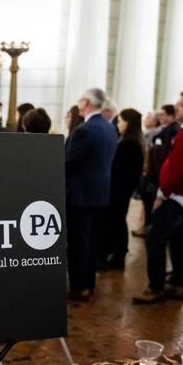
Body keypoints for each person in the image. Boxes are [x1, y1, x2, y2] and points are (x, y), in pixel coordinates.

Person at [133, 91, 183, 304]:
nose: (177, 107)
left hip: (176, 197)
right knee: (180, 241)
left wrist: (162, 194)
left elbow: (175, 168)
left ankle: (155, 287)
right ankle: (178, 282)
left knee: (155, 238)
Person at [65, 88, 117, 301]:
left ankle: (79, 287)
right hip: (100, 193)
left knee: (79, 243)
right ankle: (89, 285)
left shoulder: (84, 129)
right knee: (93, 242)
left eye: (79, 99)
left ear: (85, 102)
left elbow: (68, 162)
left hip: (80, 195)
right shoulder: (109, 127)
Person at [102, 109, 144, 269]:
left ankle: (118, 256)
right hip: (122, 188)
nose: (117, 124)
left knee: (116, 222)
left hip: (119, 189)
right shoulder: (131, 141)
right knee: (118, 222)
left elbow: (120, 168)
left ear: (128, 122)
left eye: (120, 121)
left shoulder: (129, 143)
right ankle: (118, 254)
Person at [134, 105, 179, 237]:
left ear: (171, 116)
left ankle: (152, 227)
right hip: (153, 172)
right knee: (148, 200)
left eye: (163, 115)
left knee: (152, 202)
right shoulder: (166, 130)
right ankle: (149, 226)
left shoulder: (172, 130)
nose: (160, 117)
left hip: (157, 173)